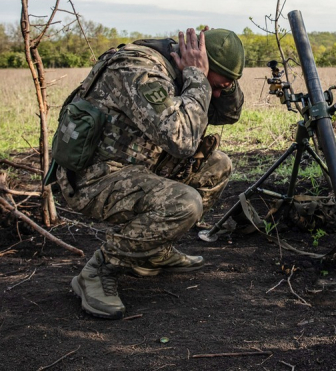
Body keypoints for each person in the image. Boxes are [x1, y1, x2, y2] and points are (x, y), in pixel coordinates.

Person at [56, 27, 245, 319]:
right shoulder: (139, 69)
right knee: (184, 203)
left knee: (217, 166)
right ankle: (98, 270)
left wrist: (221, 85)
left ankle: (152, 249)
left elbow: (228, 115)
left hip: (135, 166)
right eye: (215, 85)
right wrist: (197, 76)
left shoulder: (184, 72)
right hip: (94, 178)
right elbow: (182, 139)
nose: (216, 93)